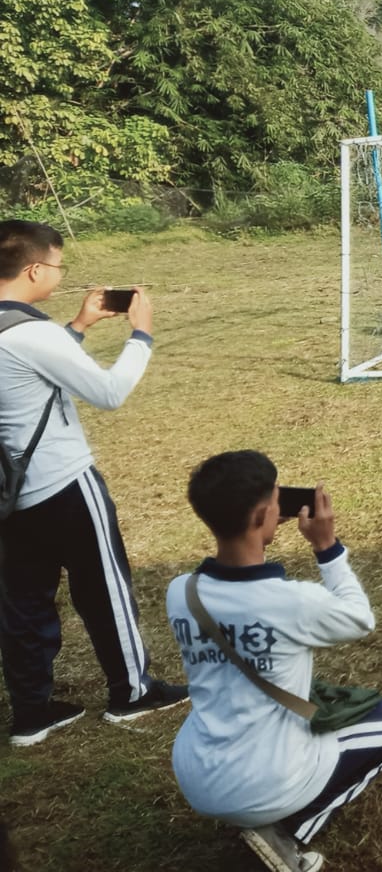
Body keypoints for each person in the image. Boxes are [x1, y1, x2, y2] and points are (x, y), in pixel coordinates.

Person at [168, 451, 382, 872]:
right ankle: (288, 835)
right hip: (266, 782)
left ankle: (263, 817)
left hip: (195, 772)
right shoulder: (292, 603)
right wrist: (326, 546)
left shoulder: (181, 592)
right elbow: (360, 618)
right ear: (267, 513)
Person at [0, 220, 187, 747]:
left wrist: (79, 326)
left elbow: (23, 372)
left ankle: (32, 711)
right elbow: (108, 391)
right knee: (104, 587)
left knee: (24, 602)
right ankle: (133, 692)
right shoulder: (29, 332)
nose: (61, 275)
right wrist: (142, 334)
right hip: (64, 484)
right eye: (58, 266)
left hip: (11, 497)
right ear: (34, 269)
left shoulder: (15, 328)